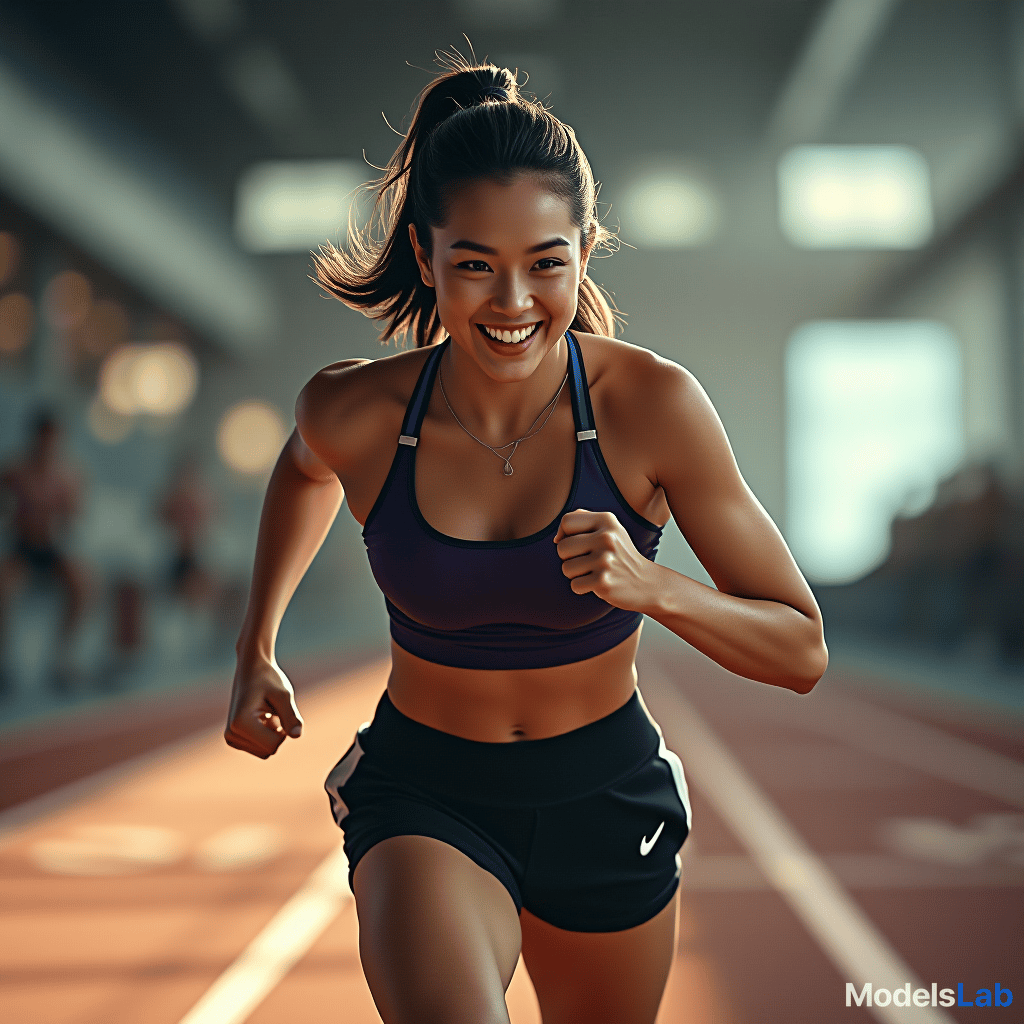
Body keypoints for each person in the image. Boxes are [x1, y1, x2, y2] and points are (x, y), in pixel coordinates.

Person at [225, 59, 828, 1024]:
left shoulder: (651, 407)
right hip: (427, 793)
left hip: (607, 795)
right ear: (426, 258)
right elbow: (302, 468)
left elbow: (801, 649)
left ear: (586, 252)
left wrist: (653, 587)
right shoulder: (362, 409)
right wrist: (256, 649)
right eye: (476, 264)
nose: (513, 301)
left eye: (547, 262)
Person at [0, 406, 94, 694]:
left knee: (83, 585)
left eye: (52, 439)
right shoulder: (15, 471)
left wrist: (62, 511)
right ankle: (4, 661)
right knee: (3, 586)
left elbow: (76, 520)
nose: (47, 445)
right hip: (22, 547)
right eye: (43, 438)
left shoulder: (68, 475)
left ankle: (62, 658)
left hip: (52, 549)